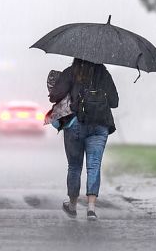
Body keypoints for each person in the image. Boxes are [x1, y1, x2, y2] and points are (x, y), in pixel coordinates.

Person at [48, 58, 119, 220]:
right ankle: (91, 208)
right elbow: (114, 102)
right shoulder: (104, 74)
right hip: (100, 125)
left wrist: (59, 86)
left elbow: (55, 96)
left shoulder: (71, 72)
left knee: (74, 166)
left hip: (76, 124)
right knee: (94, 166)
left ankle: (72, 205)